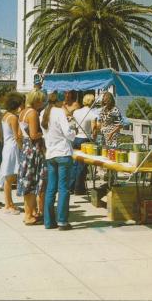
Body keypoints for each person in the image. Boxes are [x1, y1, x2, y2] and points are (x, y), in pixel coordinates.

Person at [41, 92, 76, 230]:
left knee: (51, 189)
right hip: (63, 152)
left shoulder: (44, 113)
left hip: (51, 153)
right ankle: (62, 221)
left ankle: (49, 221)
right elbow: (67, 132)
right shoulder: (59, 112)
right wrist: (73, 132)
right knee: (63, 189)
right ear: (60, 101)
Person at [17, 89, 47, 225]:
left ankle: (30, 212)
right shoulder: (33, 113)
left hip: (26, 149)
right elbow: (34, 135)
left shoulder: (22, 112)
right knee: (33, 183)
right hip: (34, 150)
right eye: (41, 100)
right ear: (37, 100)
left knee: (27, 182)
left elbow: (18, 134)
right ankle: (29, 215)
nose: (43, 103)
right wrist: (46, 133)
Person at [0, 92, 25, 215]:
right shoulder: (13, 118)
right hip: (13, 148)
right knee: (9, 178)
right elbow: (17, 136)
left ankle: (9, 203)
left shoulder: (5, 116)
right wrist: (22, 148)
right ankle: (8, 205)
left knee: (8, 177)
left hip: (7, 147)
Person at [70, 94, 97, 195]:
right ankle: (79, 188)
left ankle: (71, 186)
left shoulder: (76, 112)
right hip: (86, 139)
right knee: (82, 165)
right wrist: (94, 139)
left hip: (76, 138)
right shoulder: (92, 114)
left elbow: (73, 125)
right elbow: (94, 129)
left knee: (74, 164)